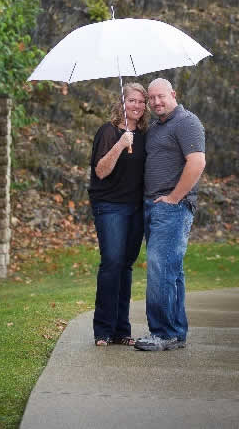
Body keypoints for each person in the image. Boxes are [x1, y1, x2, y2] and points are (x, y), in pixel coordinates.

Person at [134, 77, 206, 352]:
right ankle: (175, 332)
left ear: (173, 94)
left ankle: (162, 333)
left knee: (160, 269)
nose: (155, 102)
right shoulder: (155, 127)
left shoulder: (187, 122)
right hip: (154, 207)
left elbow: (197, 162)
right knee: (171, 271)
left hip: (173, 208)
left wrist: (174, 198)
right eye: (151, 99)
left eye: (160, 96)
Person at [89, 82, 148, 346]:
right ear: (121, 104)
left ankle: (121, 330)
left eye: (141, 101)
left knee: (125, 266)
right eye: (132, 100)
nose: (137, 105)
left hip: (137, 208)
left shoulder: (147, 134)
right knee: (112, 263)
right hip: (110, 206)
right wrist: (121, 144)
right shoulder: (109, 131)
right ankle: (102, 329)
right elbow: (101, 171)